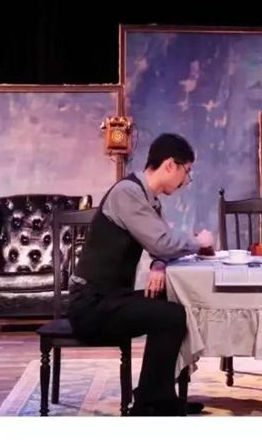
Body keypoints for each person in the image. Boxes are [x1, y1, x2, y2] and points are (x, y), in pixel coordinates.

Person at [69, 132, 214, 416]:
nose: (186, 180)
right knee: (171, 316)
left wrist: (159, 264)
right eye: (187, 172)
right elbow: (163, 243)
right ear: (170, 165)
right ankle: (151, 403)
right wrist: (200, 242)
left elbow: (158, 243)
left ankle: (157, 397)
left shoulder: (148, 199)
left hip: (111, 298)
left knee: (172, 304)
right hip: (91, 306)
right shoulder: (128, 193)